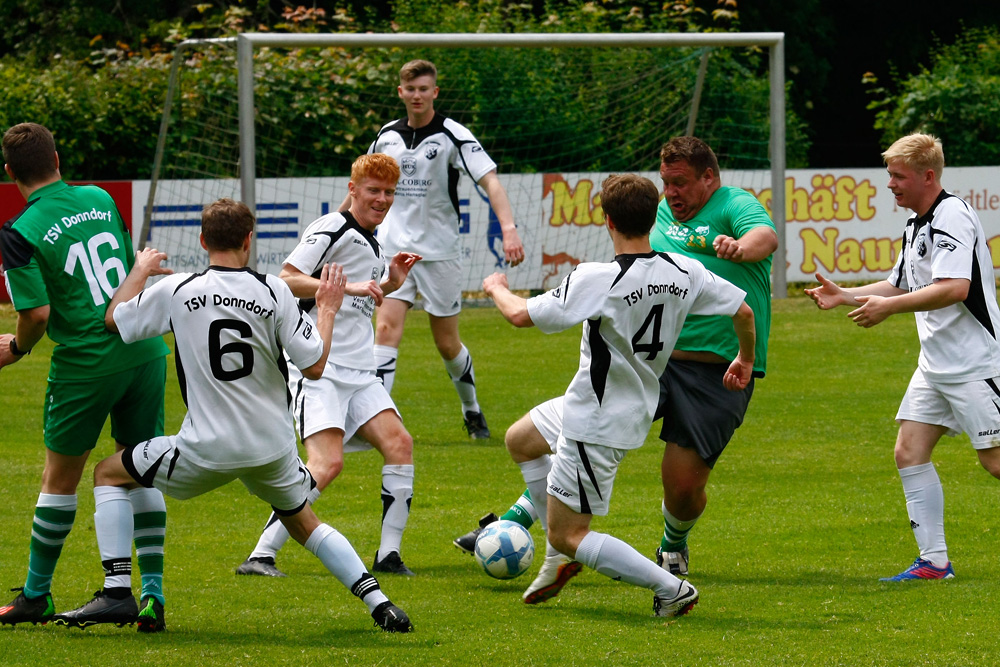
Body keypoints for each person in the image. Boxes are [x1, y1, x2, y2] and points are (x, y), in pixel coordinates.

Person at [55, 198, 412, 633]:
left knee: (109, 473)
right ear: (249, 240)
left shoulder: (178, 290)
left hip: (205, 449)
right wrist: (329, 308)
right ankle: (382, 605)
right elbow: (315, 366)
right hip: (271, 449)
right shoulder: (274, 290)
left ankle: (116, 593)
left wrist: (140, 270)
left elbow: (114, 320)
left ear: (202, 241)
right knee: (304, 522)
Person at [453, 137, 776, 579]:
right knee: (561, 437)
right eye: (665, 184)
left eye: (680, 183)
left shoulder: (733, 204)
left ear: (709, 177)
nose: (672, 194)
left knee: (681, 485)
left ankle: (670, 547)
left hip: (717, 371)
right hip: (651, 363)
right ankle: (517, 523)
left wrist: (740, 248)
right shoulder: (655, 215)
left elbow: (765, 237)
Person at [806, 132, 1000, 581]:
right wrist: (844, 295)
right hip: (935, 366)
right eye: (889, 174)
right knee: (909, 452)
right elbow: (899, 284)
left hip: (974, 364)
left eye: (898, 176)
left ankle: (934, 562)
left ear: (927, 176)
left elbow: (955, 288)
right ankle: (934, 562)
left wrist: (888, 310)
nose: (890, 184)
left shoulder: (951, 215)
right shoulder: (916, 223)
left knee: (994, 461)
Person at [0, 123, 169, 631]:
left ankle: (36, 596)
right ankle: (152, 597)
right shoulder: (98, 196)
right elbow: (124, 274)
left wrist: (14, 349)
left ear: (9, 174)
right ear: (57, 156)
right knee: (139, 466)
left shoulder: (19, 231)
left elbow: (36, 315)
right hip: (143, 350)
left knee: (60, 479)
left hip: (85, 365)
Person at [236, 153, 421, 578]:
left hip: (359, 367)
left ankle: (389, 556)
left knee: (399, 444)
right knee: (326, 464)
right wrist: (350, 284)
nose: (382, 199)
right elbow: (286, 277)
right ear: (352, 189)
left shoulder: (372, 239)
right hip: (318, 363)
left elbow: (361, 293)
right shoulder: (330, 227)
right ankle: (261, 554)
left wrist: (390, 280)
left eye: (389, 192)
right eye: (373, 190)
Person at [361, 58, 525, 439]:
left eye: (424, 89)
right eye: (410, 89)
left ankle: (471, 409)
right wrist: (339, 228)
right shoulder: (386, 136)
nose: (417, 96)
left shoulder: (453, 135)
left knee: (447, 343)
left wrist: (509, 230)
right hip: (393, 251)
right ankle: (378, 426)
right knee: (385, 330)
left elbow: (491, 182)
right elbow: (361, 185)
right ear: (400, 92)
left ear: (434, 92)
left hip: (439, 255)